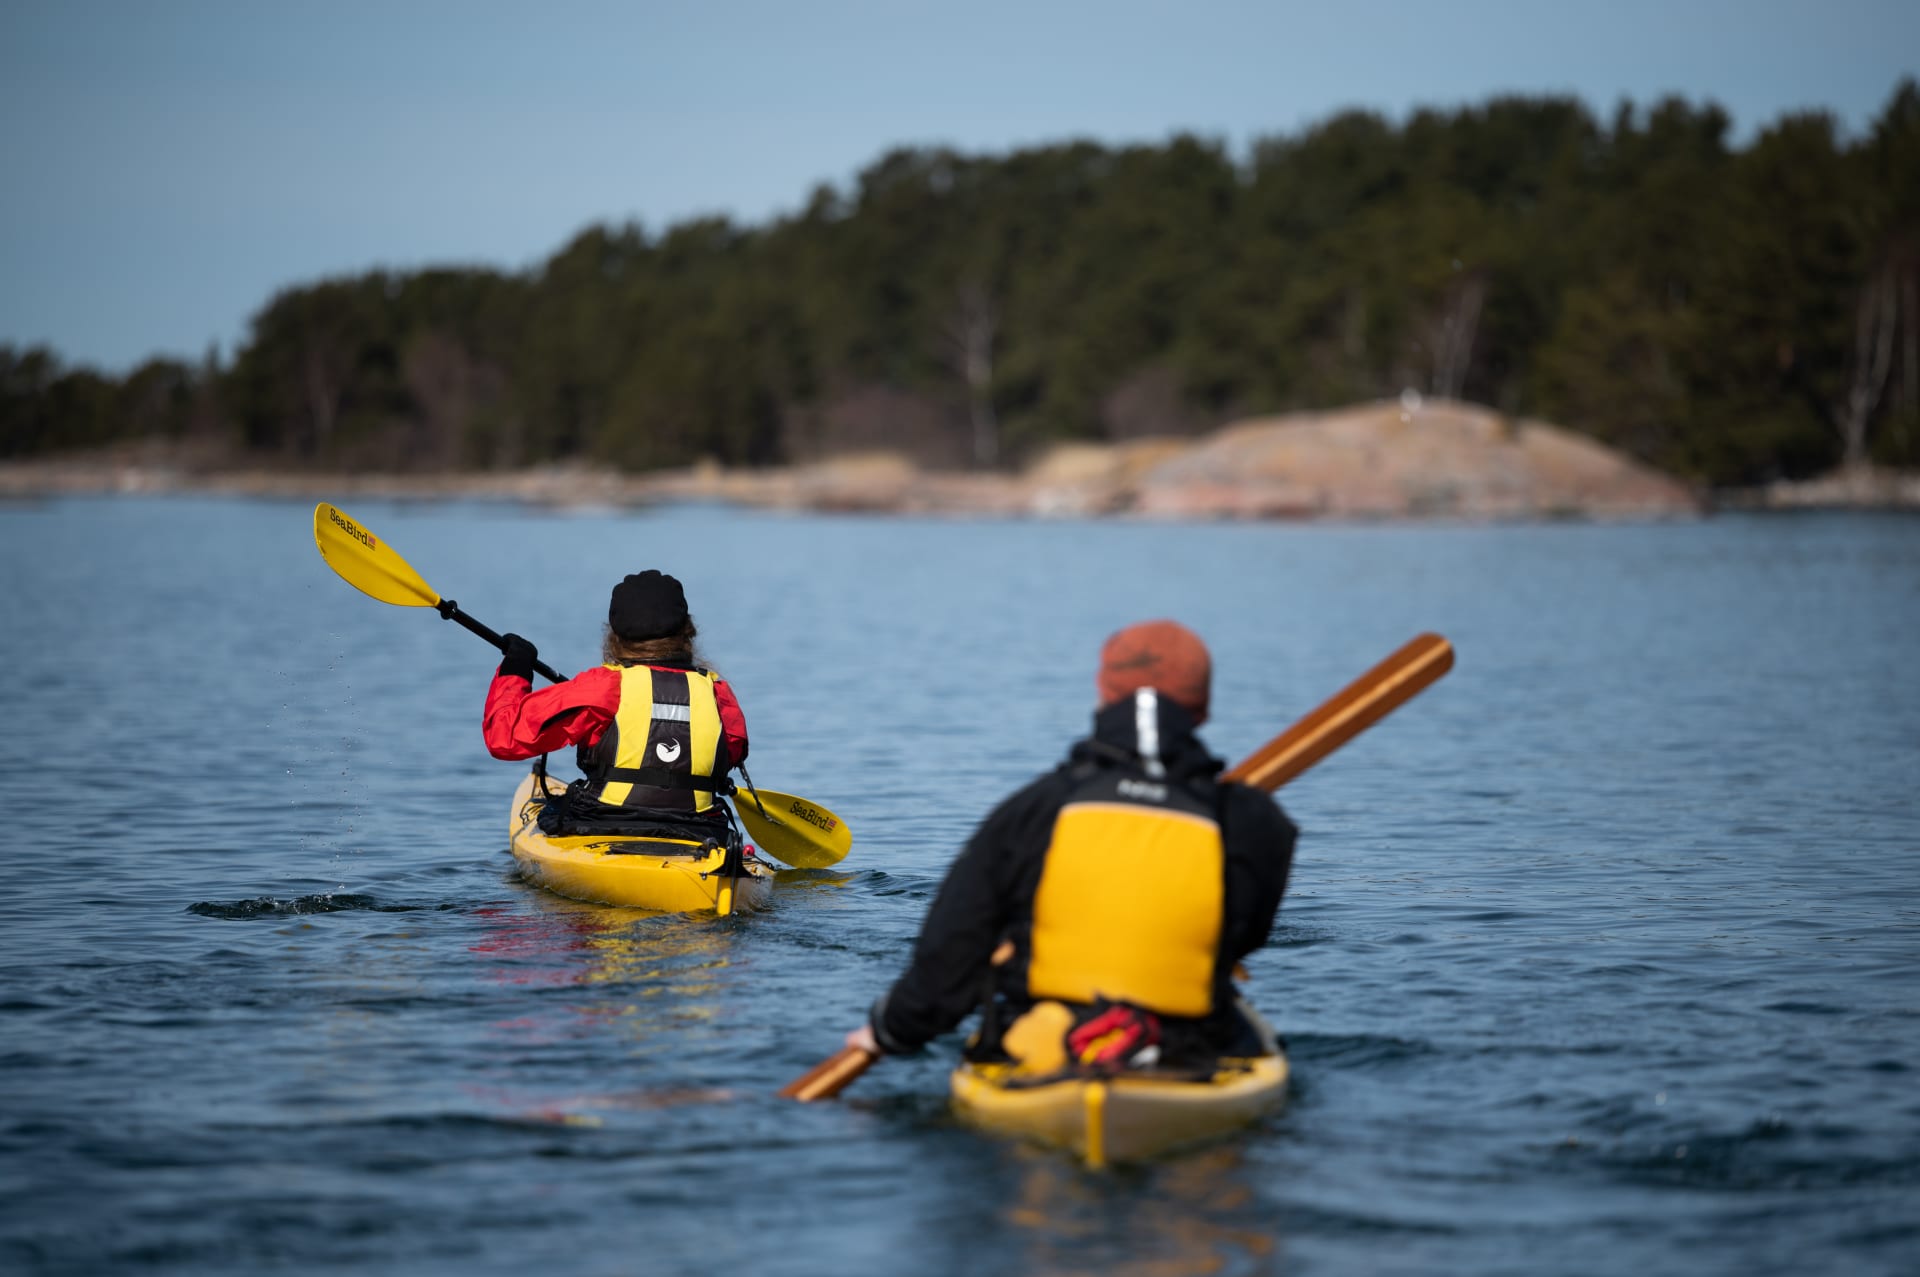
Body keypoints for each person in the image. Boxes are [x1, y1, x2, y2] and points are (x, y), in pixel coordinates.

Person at [842, 619, 1297, 1073]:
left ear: (1102, 692)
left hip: (1053, 1047)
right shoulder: (1255, 821)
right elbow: (1242, 938)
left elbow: (950, 954)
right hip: (1188, 1045)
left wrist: (892, 1029)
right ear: (1202, 710)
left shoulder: (1033, 811)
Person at [482, 570, 748, 838]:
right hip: (699, 832)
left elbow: (503, 738)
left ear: (614, 636)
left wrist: (515, 669)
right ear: (687, 632)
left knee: (552, 810)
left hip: (603, 824)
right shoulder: (718, 693)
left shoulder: (602, 688)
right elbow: (733, 752)